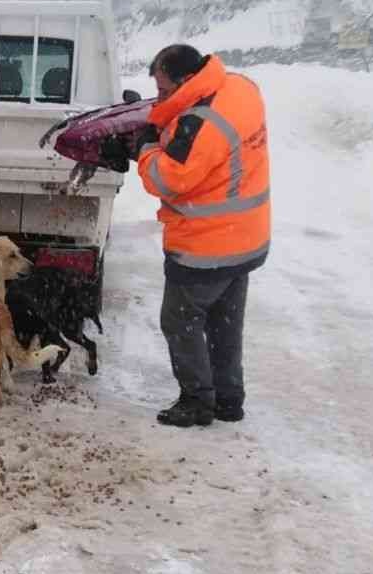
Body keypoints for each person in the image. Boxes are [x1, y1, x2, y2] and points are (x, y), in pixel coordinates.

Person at [99, 44, 271, 427]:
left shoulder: (201, 121)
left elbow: (169, 179)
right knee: (225, 323)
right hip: (246, 236)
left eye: (163, 91)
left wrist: (144, 147)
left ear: (187, 80)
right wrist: (161, 127)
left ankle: (196, 402)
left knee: (179, 320)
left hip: (206, 244)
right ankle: (229, 399)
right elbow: (206, 156)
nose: (159, 98)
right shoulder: (240, 88)